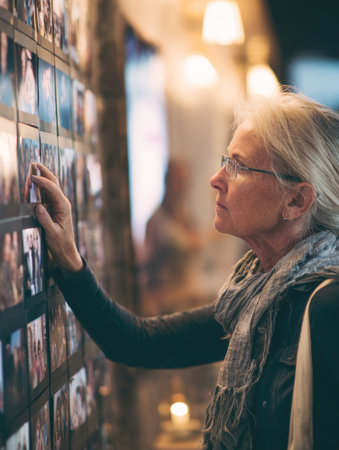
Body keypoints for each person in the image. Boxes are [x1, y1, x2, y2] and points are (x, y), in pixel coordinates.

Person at [32, 91, 339, 450]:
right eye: (225, 160)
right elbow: (137, 344)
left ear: (296, 200)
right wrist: (70, 260)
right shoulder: (254, 299)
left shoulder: (327, 307)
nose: (216, 178)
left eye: (238, 167)